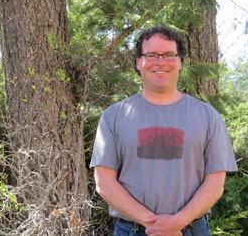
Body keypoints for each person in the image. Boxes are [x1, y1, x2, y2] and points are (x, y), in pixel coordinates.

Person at [90, 25, 238, 236]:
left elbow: (215, 184)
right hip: (131, 229)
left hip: (191, 229)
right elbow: (104, 183)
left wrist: (179, 221)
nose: (160, 62)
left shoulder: (208, 116)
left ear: (179, 62)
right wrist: (153, 224)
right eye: (151, 55)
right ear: (138, 63)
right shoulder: (113, 116)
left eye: (169, 55)